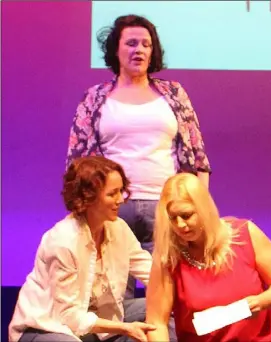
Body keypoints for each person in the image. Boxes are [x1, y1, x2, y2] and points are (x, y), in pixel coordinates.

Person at [65, 14, 211, 299]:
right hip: (112, 209)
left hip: (166, 208)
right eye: (131, 43)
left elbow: (197, 156)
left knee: (170, 293)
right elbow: (77, 160)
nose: (140, 50)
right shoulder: (94, 98)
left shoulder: (173, 94)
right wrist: (81, 210)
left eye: (146, 44)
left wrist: (200, 207)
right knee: (113, 297)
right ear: (115, 50)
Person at [8, 156, 177, 342]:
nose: (121, 199)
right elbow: (70, 317)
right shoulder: (63, 241)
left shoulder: (118, 228)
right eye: (112, 194)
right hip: (48, 325)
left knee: (161, 308)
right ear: (88, 197)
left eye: (121, 191)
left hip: (99, 318)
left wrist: (189, 294)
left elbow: (150, 272)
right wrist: (125, 328)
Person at [145, 173, 271, 341]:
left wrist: (261, 302)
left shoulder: (245, 233)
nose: (180, 225)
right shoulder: (168, 256)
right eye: (173, 218)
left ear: (204, 209)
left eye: (186, 216)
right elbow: (156, 322)